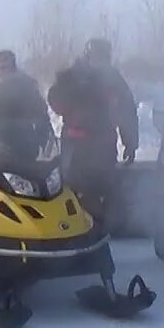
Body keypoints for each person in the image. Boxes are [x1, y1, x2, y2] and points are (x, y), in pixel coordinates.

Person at [47, 37, 139, 220]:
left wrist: (130, 142)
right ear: (87, 56)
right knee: (71, 187)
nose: (99, 61)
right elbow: (54, 98)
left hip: (102, 142)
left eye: (103, 57)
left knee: (102, 186)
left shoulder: (112, 79)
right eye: (96, 56)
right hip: (76, 142)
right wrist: (68, 108)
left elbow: (127, 110)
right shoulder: (72, 75)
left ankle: (99, 223)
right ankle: (70, 224)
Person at [0, 50, 52, 149]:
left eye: (8, 66)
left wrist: (41, 135)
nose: (5, 70)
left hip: (22, 143)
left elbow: (41, 110)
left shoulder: (25, 84)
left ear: (14, 67)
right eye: (2, 66)